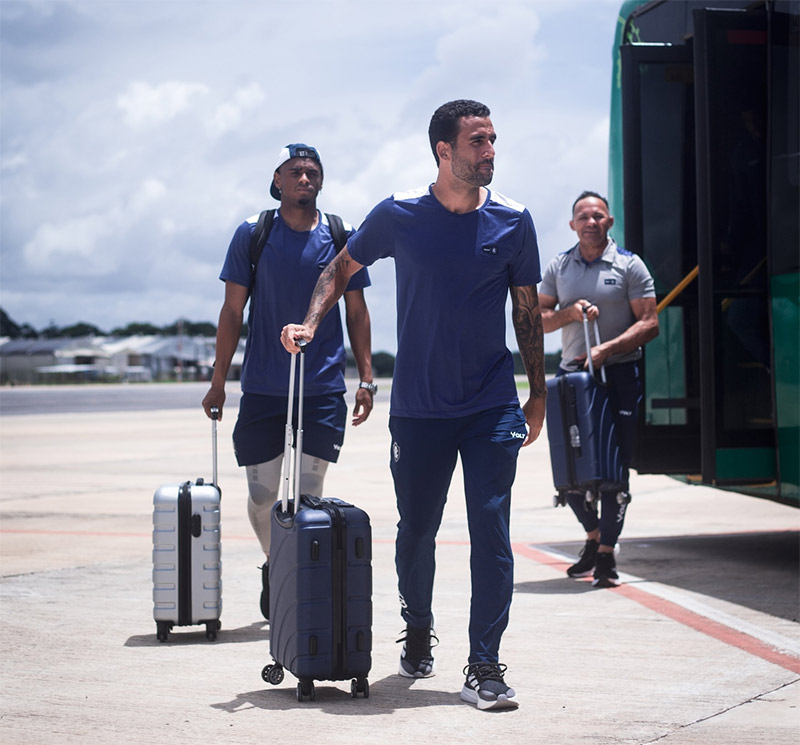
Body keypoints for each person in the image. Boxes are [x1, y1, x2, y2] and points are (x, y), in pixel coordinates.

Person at [280, 100, 546, 711]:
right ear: (444, 151)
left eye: (493, 140)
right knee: (417, 530)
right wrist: (311, 321)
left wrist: (537, 391)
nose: (490, 151)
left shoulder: (513, 219)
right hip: (420, 409)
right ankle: (419, 626)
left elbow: (526, 309)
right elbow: (340, 267)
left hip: (490, 405)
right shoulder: (399, 213)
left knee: (492, 529)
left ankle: (484, 665)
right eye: (478, 141)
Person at [202, 143, 375, 620]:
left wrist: (366, 378)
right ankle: (273, 561)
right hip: (262, 387)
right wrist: (218, 381)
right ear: (276, 180)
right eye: (295, 172)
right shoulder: (253, 234)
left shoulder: (341, 235)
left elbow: (357, 312)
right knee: (263, 498)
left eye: (312, 172)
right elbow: (232, 311)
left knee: (305, 496)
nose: (304, 179)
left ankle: (297, 581)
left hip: (321, 389)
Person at [539, 190, 658, 588]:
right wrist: (570, 314)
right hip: (573, 377)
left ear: (609, 221)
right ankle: (592, 536)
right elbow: (537, 318)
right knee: (569, 468)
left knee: (613, 469)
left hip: (619, 375)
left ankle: (606, 553)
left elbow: (650, 323)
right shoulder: (559, 266)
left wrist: (608, 349)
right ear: (572, 225)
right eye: (583, 217)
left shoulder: (629, 264)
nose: (591, 222)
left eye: (598, 216)